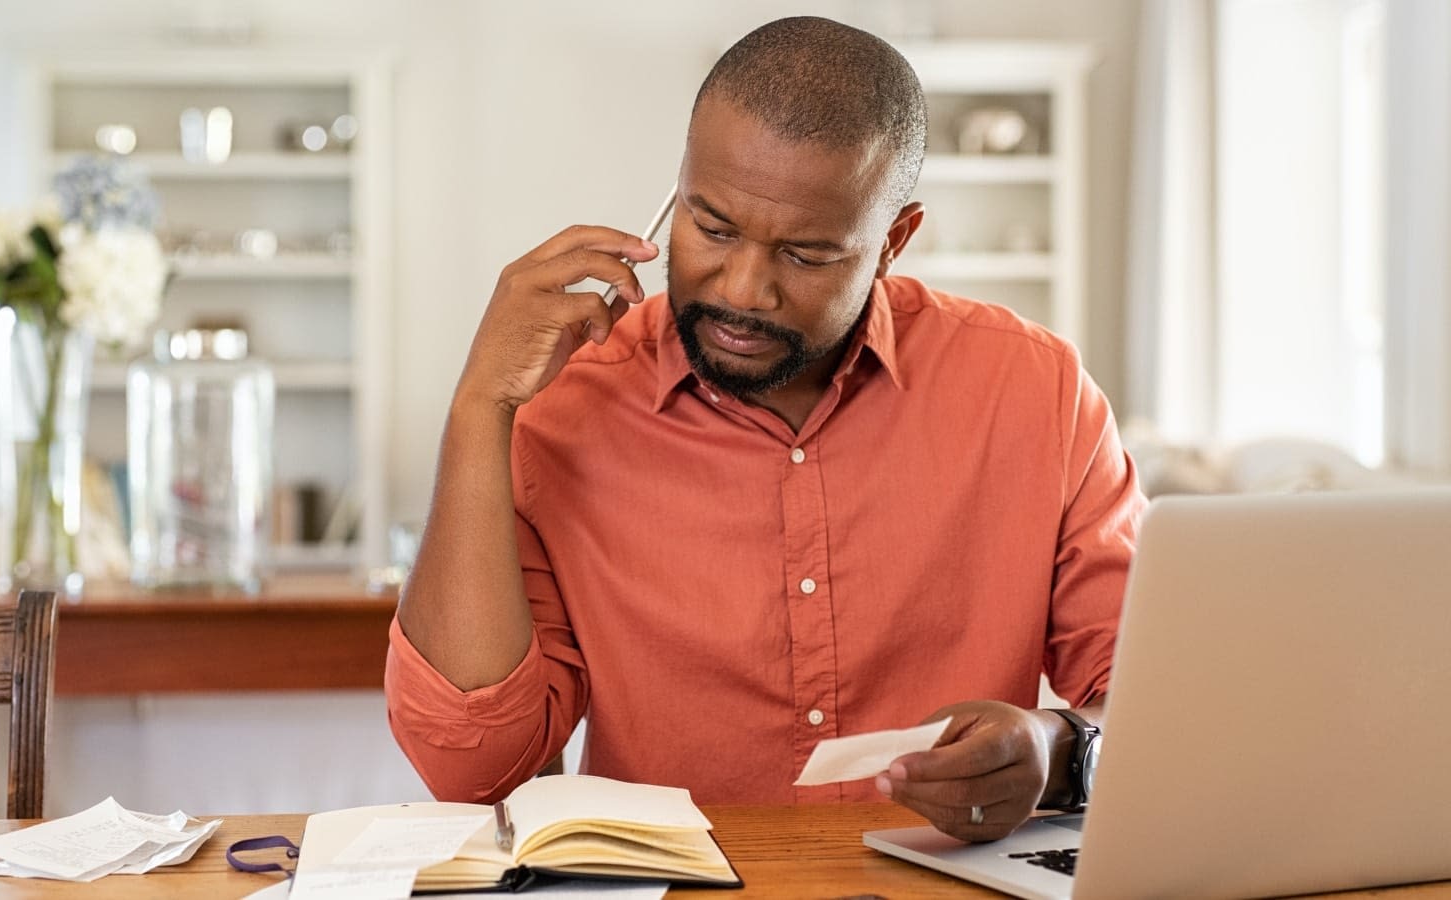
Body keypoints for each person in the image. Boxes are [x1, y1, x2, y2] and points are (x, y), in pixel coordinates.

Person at [387, 15, 1145, 842]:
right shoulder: (564, 406)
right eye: (712, 228)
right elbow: (472, 769)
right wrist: (479, 407)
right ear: (675, 194)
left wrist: (1058, 748)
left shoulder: (1036, 392)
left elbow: (1160, 705)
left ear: (892, 242)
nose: (744, 290)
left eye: (807, 254)